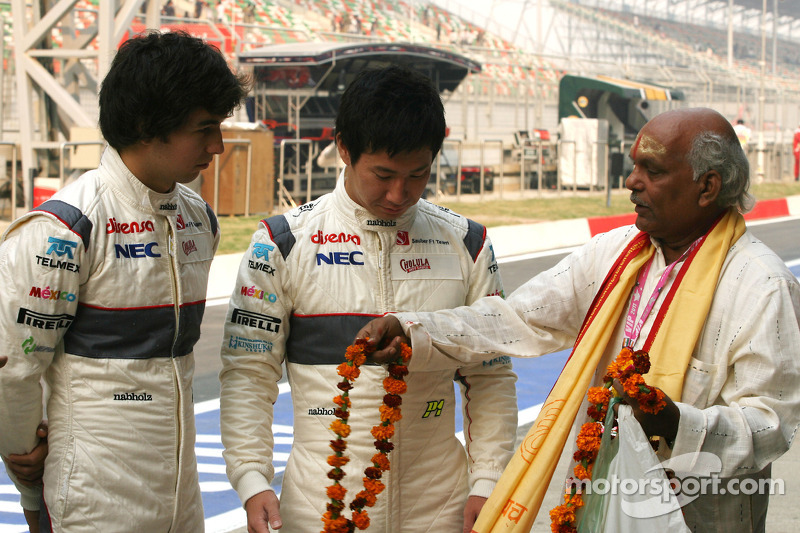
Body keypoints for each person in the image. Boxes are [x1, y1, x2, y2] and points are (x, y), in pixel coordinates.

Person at [358, 107, 800, 532]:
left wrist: (677, 423)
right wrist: (414, 329)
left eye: (654, 171)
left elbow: (770, 424)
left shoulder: (759, 284)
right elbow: (518, 318)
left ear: (707, 187)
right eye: (634, 167)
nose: (631, 182)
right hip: (598, 505)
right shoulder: (616, 253)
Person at [219, 64, 518, 533]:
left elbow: (492, 375)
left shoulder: (468, 244)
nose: (399, 193)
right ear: (343, 147)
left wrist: (488, 479)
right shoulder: (283, 242)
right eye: (383, 174)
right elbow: (248, 373)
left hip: (440, 504)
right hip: (321, 503)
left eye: (417, 175)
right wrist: (252, 477)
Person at [0, 30, 248, 532]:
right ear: (145, 126)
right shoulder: (63, 232)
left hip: (182, 496)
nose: (218, 145)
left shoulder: (199, 219)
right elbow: (13, 370)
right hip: (90, 501)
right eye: (204, 128)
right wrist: (26, 471)